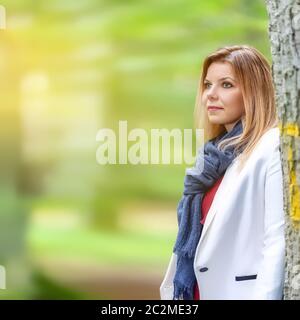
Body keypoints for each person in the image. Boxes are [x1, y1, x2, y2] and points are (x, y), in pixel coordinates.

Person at [159, 45, 285, 300]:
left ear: (254, 91)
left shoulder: (271, 146)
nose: (210, 95)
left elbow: (277, 240)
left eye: (226, 85)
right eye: (207, 85)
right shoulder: (212, 157)